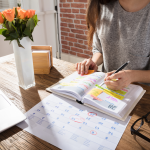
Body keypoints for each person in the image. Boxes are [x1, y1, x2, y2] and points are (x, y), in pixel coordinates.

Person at [76, 0, 150, 90]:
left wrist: (131, 76)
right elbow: (99, 49)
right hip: (106, 89)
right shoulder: (103, 5)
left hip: (141, 94)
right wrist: (93, 62)